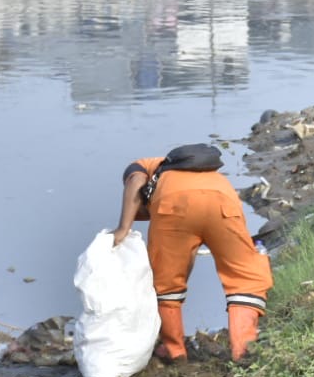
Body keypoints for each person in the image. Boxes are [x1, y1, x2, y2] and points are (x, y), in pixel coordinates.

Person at [112, 146, 273, 362]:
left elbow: (135, 182)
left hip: (173, 205)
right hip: (224, 201)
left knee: (165, 283)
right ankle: (242, 350)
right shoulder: (206, 173)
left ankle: (173, 349)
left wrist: (123, 227)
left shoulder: (143, 166)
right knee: (245, 277)